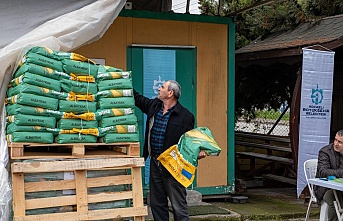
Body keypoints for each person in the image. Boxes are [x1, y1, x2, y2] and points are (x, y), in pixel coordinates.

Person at [134, 80, 206, 221]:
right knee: (157, 203)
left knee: (178, 206)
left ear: (170, 93)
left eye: (162, 87)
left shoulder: (186, 116)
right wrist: (124, 83)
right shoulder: (154, 106)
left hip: (173, 166)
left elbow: (190, 142)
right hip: (155, 163)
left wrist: (198, 153)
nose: (159, 89)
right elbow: (138, 99)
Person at [315, 129, 343, 221]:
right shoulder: (325, 152)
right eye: (335, 140)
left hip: (340, 187)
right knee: (335, 201)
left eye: (340, 142)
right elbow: (323, 171)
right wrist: (340, 173)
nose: (336, 144)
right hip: (324, 188)